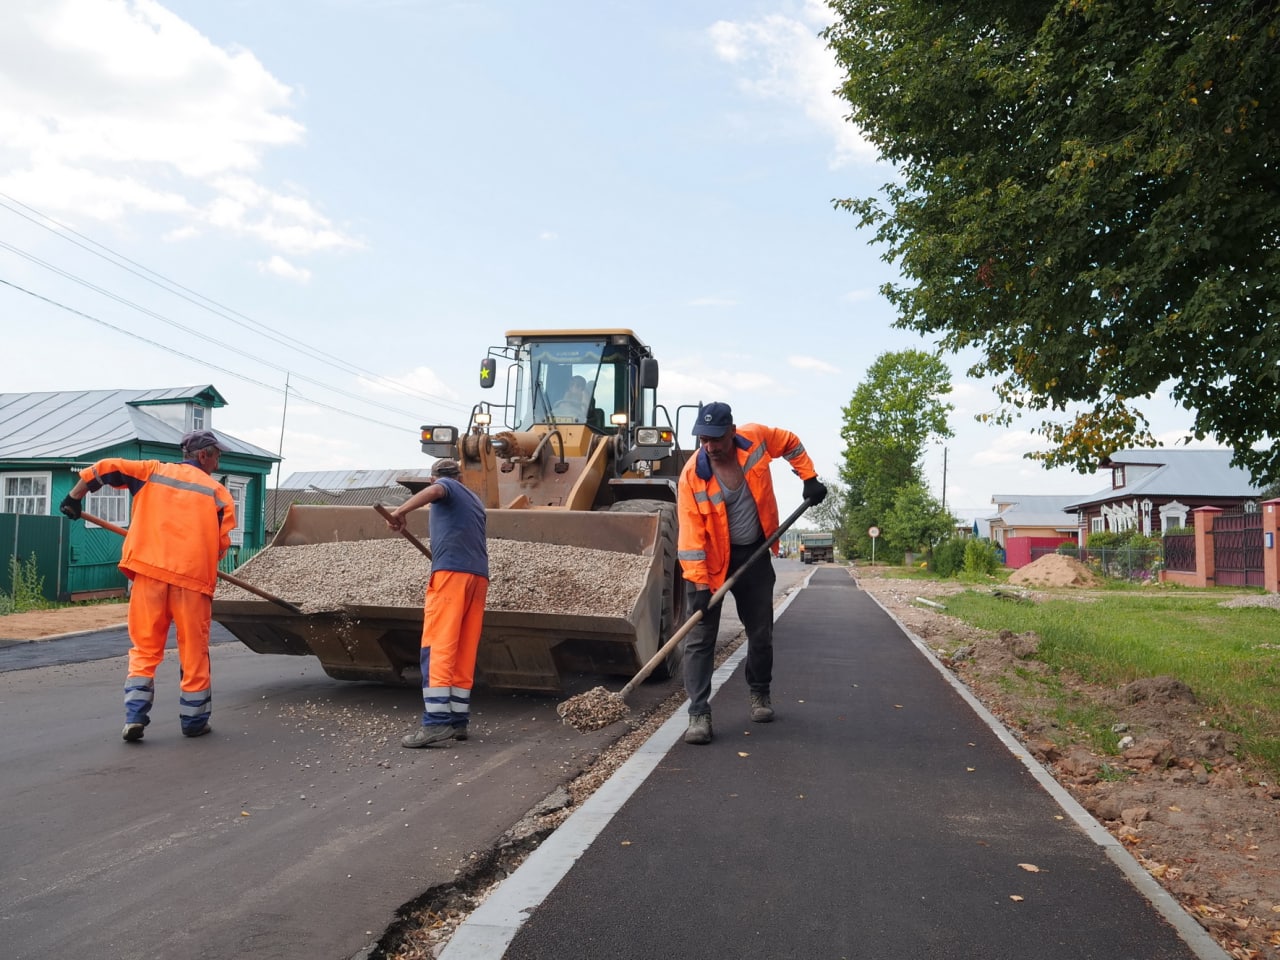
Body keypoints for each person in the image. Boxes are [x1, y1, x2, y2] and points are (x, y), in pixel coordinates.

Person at [60, 430, 236, 742]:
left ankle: (134, 716)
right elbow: (221, 545)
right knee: (194, 652)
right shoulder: (218, 495)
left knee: (144, 648)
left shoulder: (152, 472)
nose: (219, 461)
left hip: (149, 576)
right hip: (192, 582)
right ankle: (194, 722)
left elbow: (103, 468)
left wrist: (74, 498)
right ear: (203, 455)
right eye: (217, 455)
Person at [676, 401, 827, 745]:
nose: (710, 446)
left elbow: (790, 442)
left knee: (760, 631)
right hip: (712, 563)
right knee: (700, 639)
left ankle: (760, 692)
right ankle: (698, 713)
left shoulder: (756, 439)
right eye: (703, 439)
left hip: (755, 552)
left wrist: (809, 476)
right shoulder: (693, 476)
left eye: (716, 438)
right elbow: (690, 537)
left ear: (732, 432)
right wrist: (699, 583)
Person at [385, 458, 490, 748]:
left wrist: (400, 511)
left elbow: (436, 493)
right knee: (462, 648)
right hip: (477, 576)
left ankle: (435, 724)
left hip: (451, 576)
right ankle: (458, 721)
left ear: (433, 479)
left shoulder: (444, 487)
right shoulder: (475, 500)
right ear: (462, 476)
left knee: (438, 646)